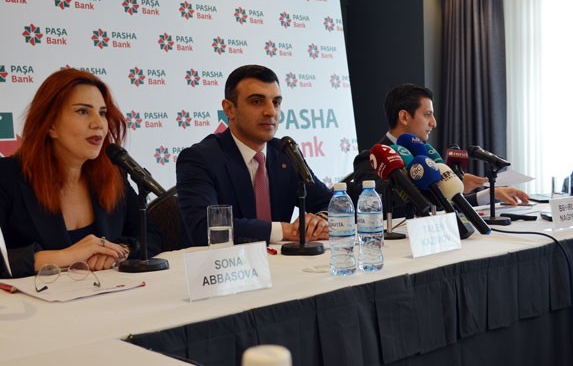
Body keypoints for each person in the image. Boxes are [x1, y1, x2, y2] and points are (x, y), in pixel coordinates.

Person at [0, 69, 161, 279]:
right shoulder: (7, 177)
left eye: (102, 113)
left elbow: (151, 235)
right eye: (83, 111)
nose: (98, 123)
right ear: (50, 125)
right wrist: (61, 257)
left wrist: (120, 251)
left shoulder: (114, 173)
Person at [176, 64, 332, 247]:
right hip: (222, 263)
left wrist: (320, 220)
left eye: (276, 102)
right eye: (257, 101)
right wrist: (285, 231)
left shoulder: (285, 153)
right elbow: (204, 228)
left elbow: (331, 203)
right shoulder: (199, 159)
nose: (271, 112)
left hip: (281, 261)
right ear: (229, 109)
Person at [353, 83, 529, 218]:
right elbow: (387, 202)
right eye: (427, 114)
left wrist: (488, 194)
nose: (434, 123)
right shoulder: (369, 159)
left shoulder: (425, 156)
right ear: (404, 117)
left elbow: (440, 205)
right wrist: (438, 182)